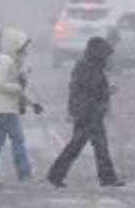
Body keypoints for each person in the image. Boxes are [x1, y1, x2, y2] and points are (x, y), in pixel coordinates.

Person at [47, 36, 125, 188]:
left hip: (90, 112)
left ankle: (106, 178)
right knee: (84, 146)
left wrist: (105, 92)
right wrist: (107, 91)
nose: (108, 58)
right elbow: (91, 90)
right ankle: (56, 175)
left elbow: (89, 89)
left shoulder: (91, 65)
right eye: (106, 54)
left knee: (89, 146)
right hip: (87, 113)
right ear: (98, 53)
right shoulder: (86, 66)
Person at [0, 27, 40, 189]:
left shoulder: (8, 60)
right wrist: (19, 87)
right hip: (5, 109)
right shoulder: (5, 61)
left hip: (3, 109)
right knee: (17, 140)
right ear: (13, 45)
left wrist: (32, 104)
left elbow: (15, 88)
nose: (24, 51)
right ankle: (24, 173)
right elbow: (0, 84)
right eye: (22, 47)